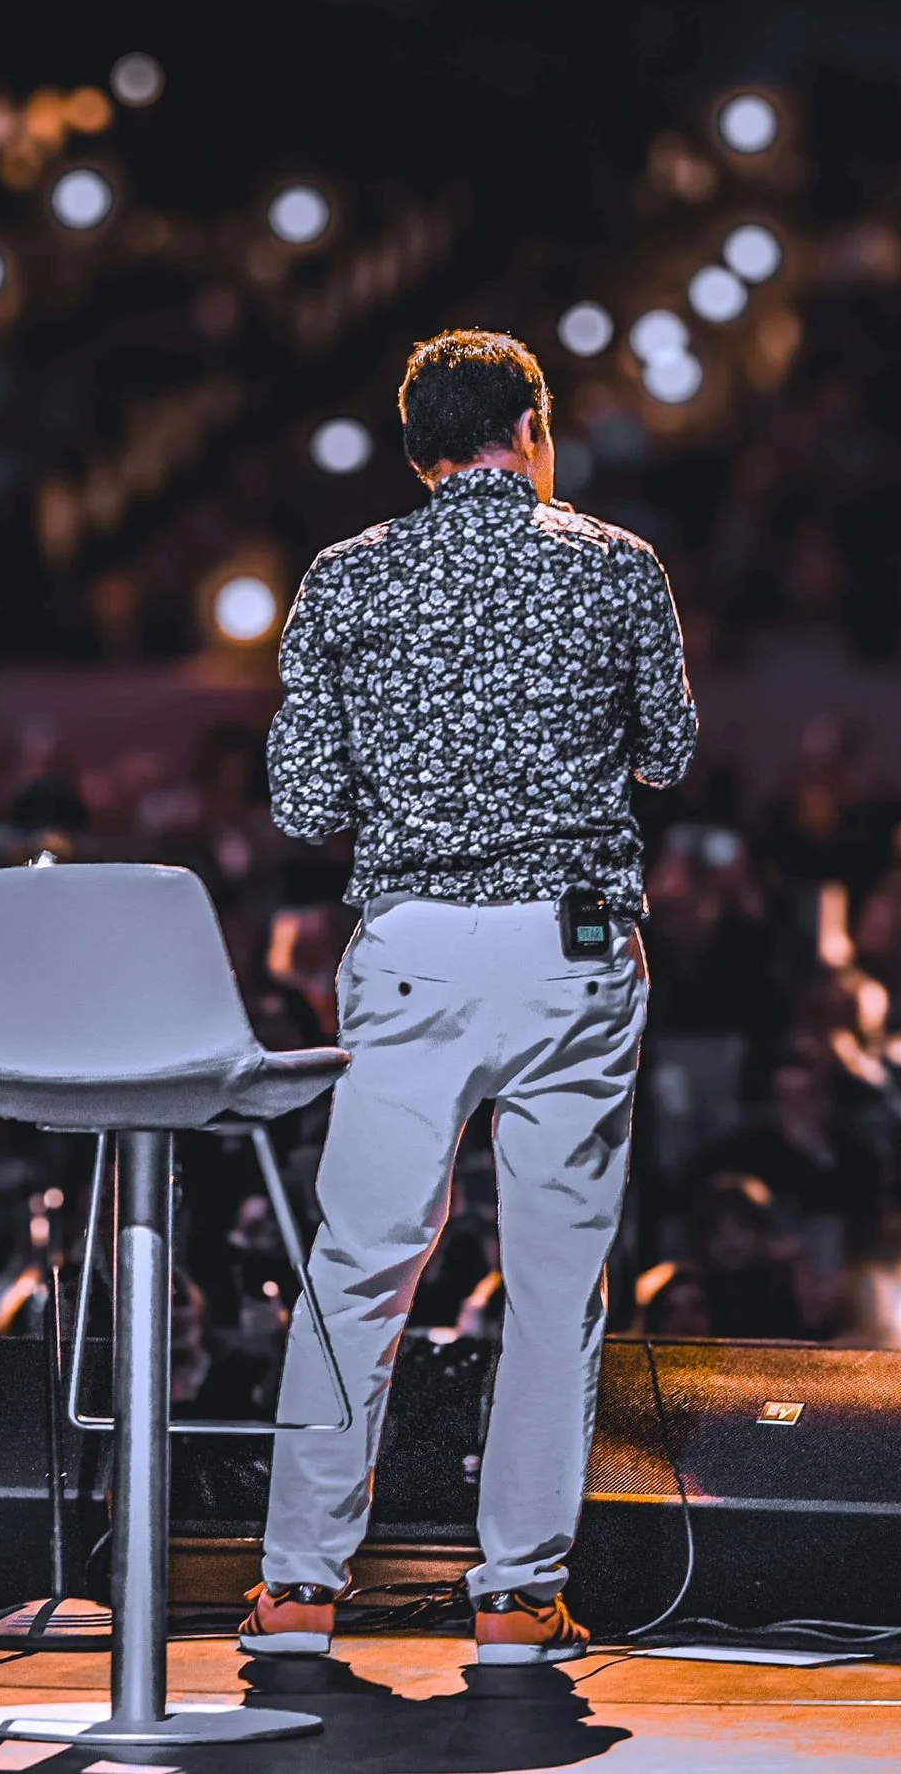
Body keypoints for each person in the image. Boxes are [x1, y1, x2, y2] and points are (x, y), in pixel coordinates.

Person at [244, 329, 696, 1666]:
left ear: (418, 453)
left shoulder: (345, 577)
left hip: (416, 946)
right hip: (572, 944)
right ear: (534, 426)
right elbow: (667, 754)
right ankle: (513, 1597)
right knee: (556, 1281)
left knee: (360, 1268)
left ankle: (297, 1591)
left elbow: (307, 802)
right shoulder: (619, 567)